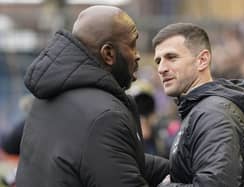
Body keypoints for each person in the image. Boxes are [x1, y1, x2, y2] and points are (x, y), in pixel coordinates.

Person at [16, 5, 169, 187]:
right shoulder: (105, 117)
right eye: (132, 45)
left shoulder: (45, 99)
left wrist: (178, 167)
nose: (137, 56)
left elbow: (115, 159)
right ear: (108, 54)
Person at [152, 23, 244, 186]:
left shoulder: (213, 114)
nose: (161, 68)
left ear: (202, 60)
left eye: (171, 57)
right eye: (158, 61)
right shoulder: (201, 110)